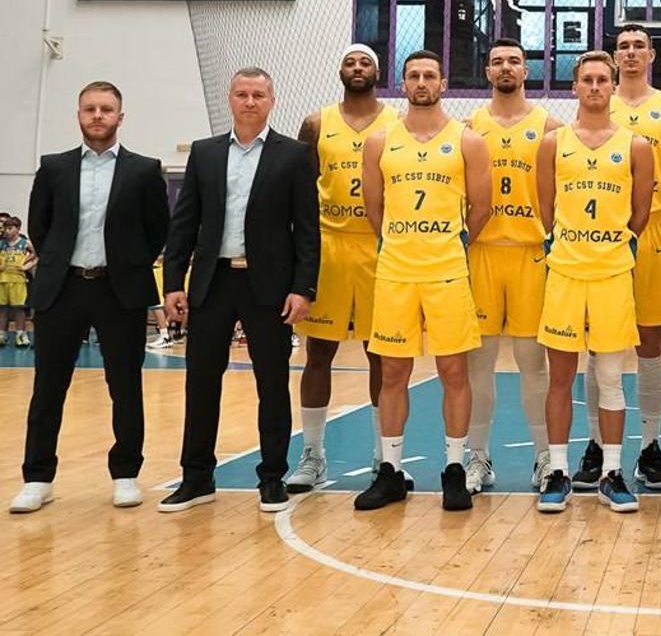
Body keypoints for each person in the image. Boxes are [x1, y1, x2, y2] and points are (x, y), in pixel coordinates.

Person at [158, 68, 319, 514]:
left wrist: (303, 288)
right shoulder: (206, 154)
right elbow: (184, 223)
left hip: (267, 286)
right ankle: (196, 478)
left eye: (258, 95)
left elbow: (307, 230)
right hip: (213, 282)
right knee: (201, 382)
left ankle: (271, 478)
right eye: (242, 94)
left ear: (272, 101)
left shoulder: (294, 155)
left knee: (272, 383)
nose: (250, 102)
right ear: (230, 99)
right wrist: (174, 283)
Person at [11, 81, 169, 513]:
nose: (97, 115)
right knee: (48, 387)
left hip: (120, 291)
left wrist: (127, 263)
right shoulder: (54, 167)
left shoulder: (144, 169)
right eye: (90, 109)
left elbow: (158, 229)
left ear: (121, 116)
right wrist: (61, 261)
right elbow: (40, 226)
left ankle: (125, 474)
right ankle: (38, 477)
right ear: (78, 115)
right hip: (63, 288)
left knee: (126, 386)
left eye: (106, 109)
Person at [354, 50, 490, 512]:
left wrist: (447, 243)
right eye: (413, 75)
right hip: (395, 269)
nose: (421, 82)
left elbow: (482, 208)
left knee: (454, 371)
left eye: (429, 75)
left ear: (443, 82)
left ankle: (454, 468)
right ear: (403, 83)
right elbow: (375, 209)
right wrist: (401, 241)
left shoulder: (467, 140)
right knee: (393, 371)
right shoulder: (379, 142)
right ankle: (390, 470)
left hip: (447, 268)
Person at [534, 51, 652, 513]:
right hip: (565, 270)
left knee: (609, 378)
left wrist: (609, 242)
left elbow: (639, 214)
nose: (597, 87)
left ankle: (611, 472)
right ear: (575, 87)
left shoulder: (636, 145)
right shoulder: (552, 144)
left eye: (605, 79)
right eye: (588, 79)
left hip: (612, 273)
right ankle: (559, 471)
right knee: (559, 377)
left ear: (614, 86)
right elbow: (546, 209)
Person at [571, 24, 661, 493]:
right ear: (614, 61)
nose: (632, 53)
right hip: (601, 239)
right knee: (600, 344)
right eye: (624, 48)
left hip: (654, 228)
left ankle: (650, 445)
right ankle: (598, 443)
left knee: (650, 342)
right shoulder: (596, 105)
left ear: (652, 55)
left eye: (639, 46)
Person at [287, 44, 399, 493]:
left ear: (377, 71)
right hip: (329, 246)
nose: (357, 68)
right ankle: (312, 455)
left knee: (382, 355)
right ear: (340, 70)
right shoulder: (316, 123)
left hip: (378, 246)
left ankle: (382, 456)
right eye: (351, 62)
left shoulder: (396, 122)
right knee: (318, 355)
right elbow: (300, 186)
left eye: (365, 62)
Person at [465, 38, 560, 494]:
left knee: (531, 363)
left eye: (514, 61)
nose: (506, 68)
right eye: (498, 61)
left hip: (530, 253)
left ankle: (543, 458)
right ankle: (478, 457)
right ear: (487, 72)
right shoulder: (469, 128)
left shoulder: (550, 127)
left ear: (527, 70)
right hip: (482, 253)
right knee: (477, 364)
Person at [0, 216, 35, 347]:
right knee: (2, 309)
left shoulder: (24, 243)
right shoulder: (1, 243)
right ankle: (2, 334)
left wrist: (26, 265)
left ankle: (21, 334)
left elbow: (37, 254)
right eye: (5, 228)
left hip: (18, 280)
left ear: (18, 228)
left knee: (19, 309)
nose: (7, 231)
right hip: (2, 279)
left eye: (10, 228)